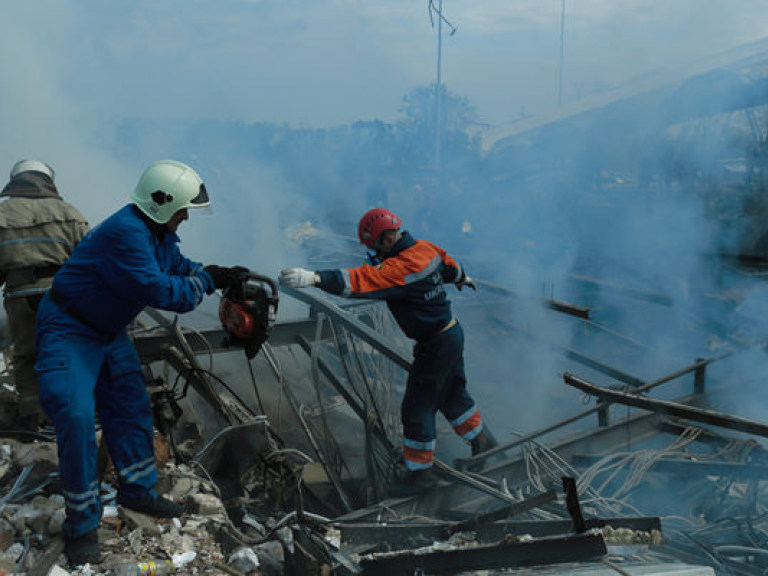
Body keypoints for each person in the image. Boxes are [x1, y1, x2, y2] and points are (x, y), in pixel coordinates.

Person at [34, 159, 247, 565]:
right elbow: (162, 289)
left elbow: (176, 267)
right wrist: (205, 283)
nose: (186, 216)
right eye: (183, 209)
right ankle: (81, 526)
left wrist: (211, 272)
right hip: (69, 330)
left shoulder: (155, 231)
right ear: (162, 203)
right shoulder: (127, 234)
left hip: (107, 331)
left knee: (130, 408)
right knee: (77, 418)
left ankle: (138, 493)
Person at [279, 207, 496, 496]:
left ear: (385, 240)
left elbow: (359, 281)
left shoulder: (399, 269)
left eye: (372, 247)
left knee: (417, 407)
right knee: (453, 395)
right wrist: (461, 278)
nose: (372, 254)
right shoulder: (425, 249)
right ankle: (483, 443)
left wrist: (314, 278)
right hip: (450, 333)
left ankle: (421, 475)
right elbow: (448, 264)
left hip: (435, 343)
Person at [0, 160, 89, 430]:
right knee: (67, 354)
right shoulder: (69, 213)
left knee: (26, 358)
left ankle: (34, 419)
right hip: (61, 296)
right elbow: (90, 261)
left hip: (20, 296)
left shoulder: (2, 214)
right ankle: (72, 417)